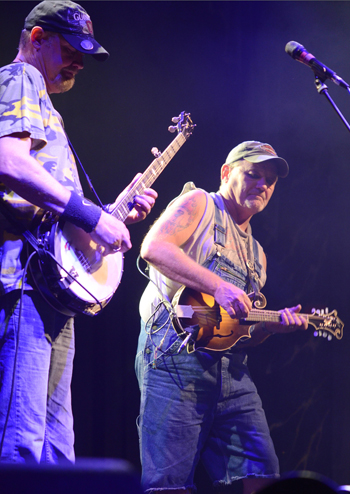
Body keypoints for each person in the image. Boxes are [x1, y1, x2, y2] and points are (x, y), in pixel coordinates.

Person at [0, 1, 157, 464]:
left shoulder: (47, 107)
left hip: (50, 290)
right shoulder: (19, 78)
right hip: (24, 284)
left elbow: (50, 211)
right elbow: (8, 163)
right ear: (37, 39)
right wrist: (93, 218)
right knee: (22, 441)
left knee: (56, 449)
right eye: (70, 49)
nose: (78, 63)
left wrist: (110, 217)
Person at [136, 141, 308, 494]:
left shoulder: (256, 255)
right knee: (168, 484)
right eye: (253, 174)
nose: (263, 185)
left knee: (262, 472)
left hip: (231, 370)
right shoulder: (199, 203)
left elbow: (241, 332)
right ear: (226, 173)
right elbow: (154, 248)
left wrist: (269, 328)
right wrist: (218, 286)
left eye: (270, 181)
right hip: (175, 355)